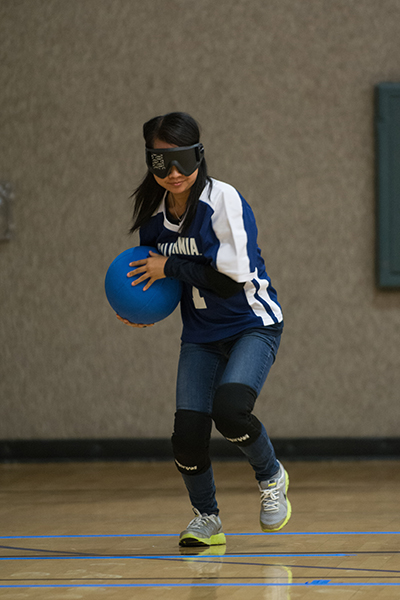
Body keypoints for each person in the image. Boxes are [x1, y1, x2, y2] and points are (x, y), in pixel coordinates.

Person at [118, 112, 291, 547]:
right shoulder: (153, 219)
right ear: (150, 162)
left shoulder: (222, 199)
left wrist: (169, 265)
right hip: (200, 335)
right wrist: (138, 307)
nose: (173, 173)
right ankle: (207, 519)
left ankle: (271, 476)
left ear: (198, 155)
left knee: (230, 409)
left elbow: (231, 275)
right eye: (162, 162)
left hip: (252, 324)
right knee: (187, 437)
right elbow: (161, 282)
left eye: (181, 160)